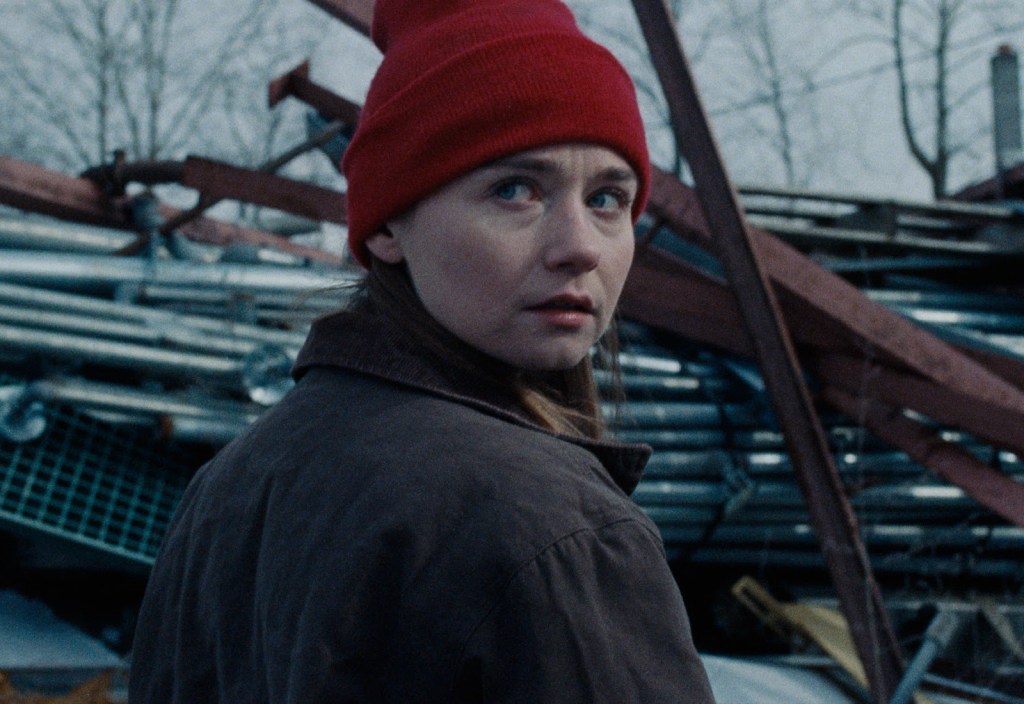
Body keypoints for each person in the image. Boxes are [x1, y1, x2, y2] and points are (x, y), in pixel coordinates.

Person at [128, 0, 716, 701]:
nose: (581, 246)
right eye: (515, 190)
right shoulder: (553, 526)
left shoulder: (226, 489)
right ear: (386, 227)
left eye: (608, 199)